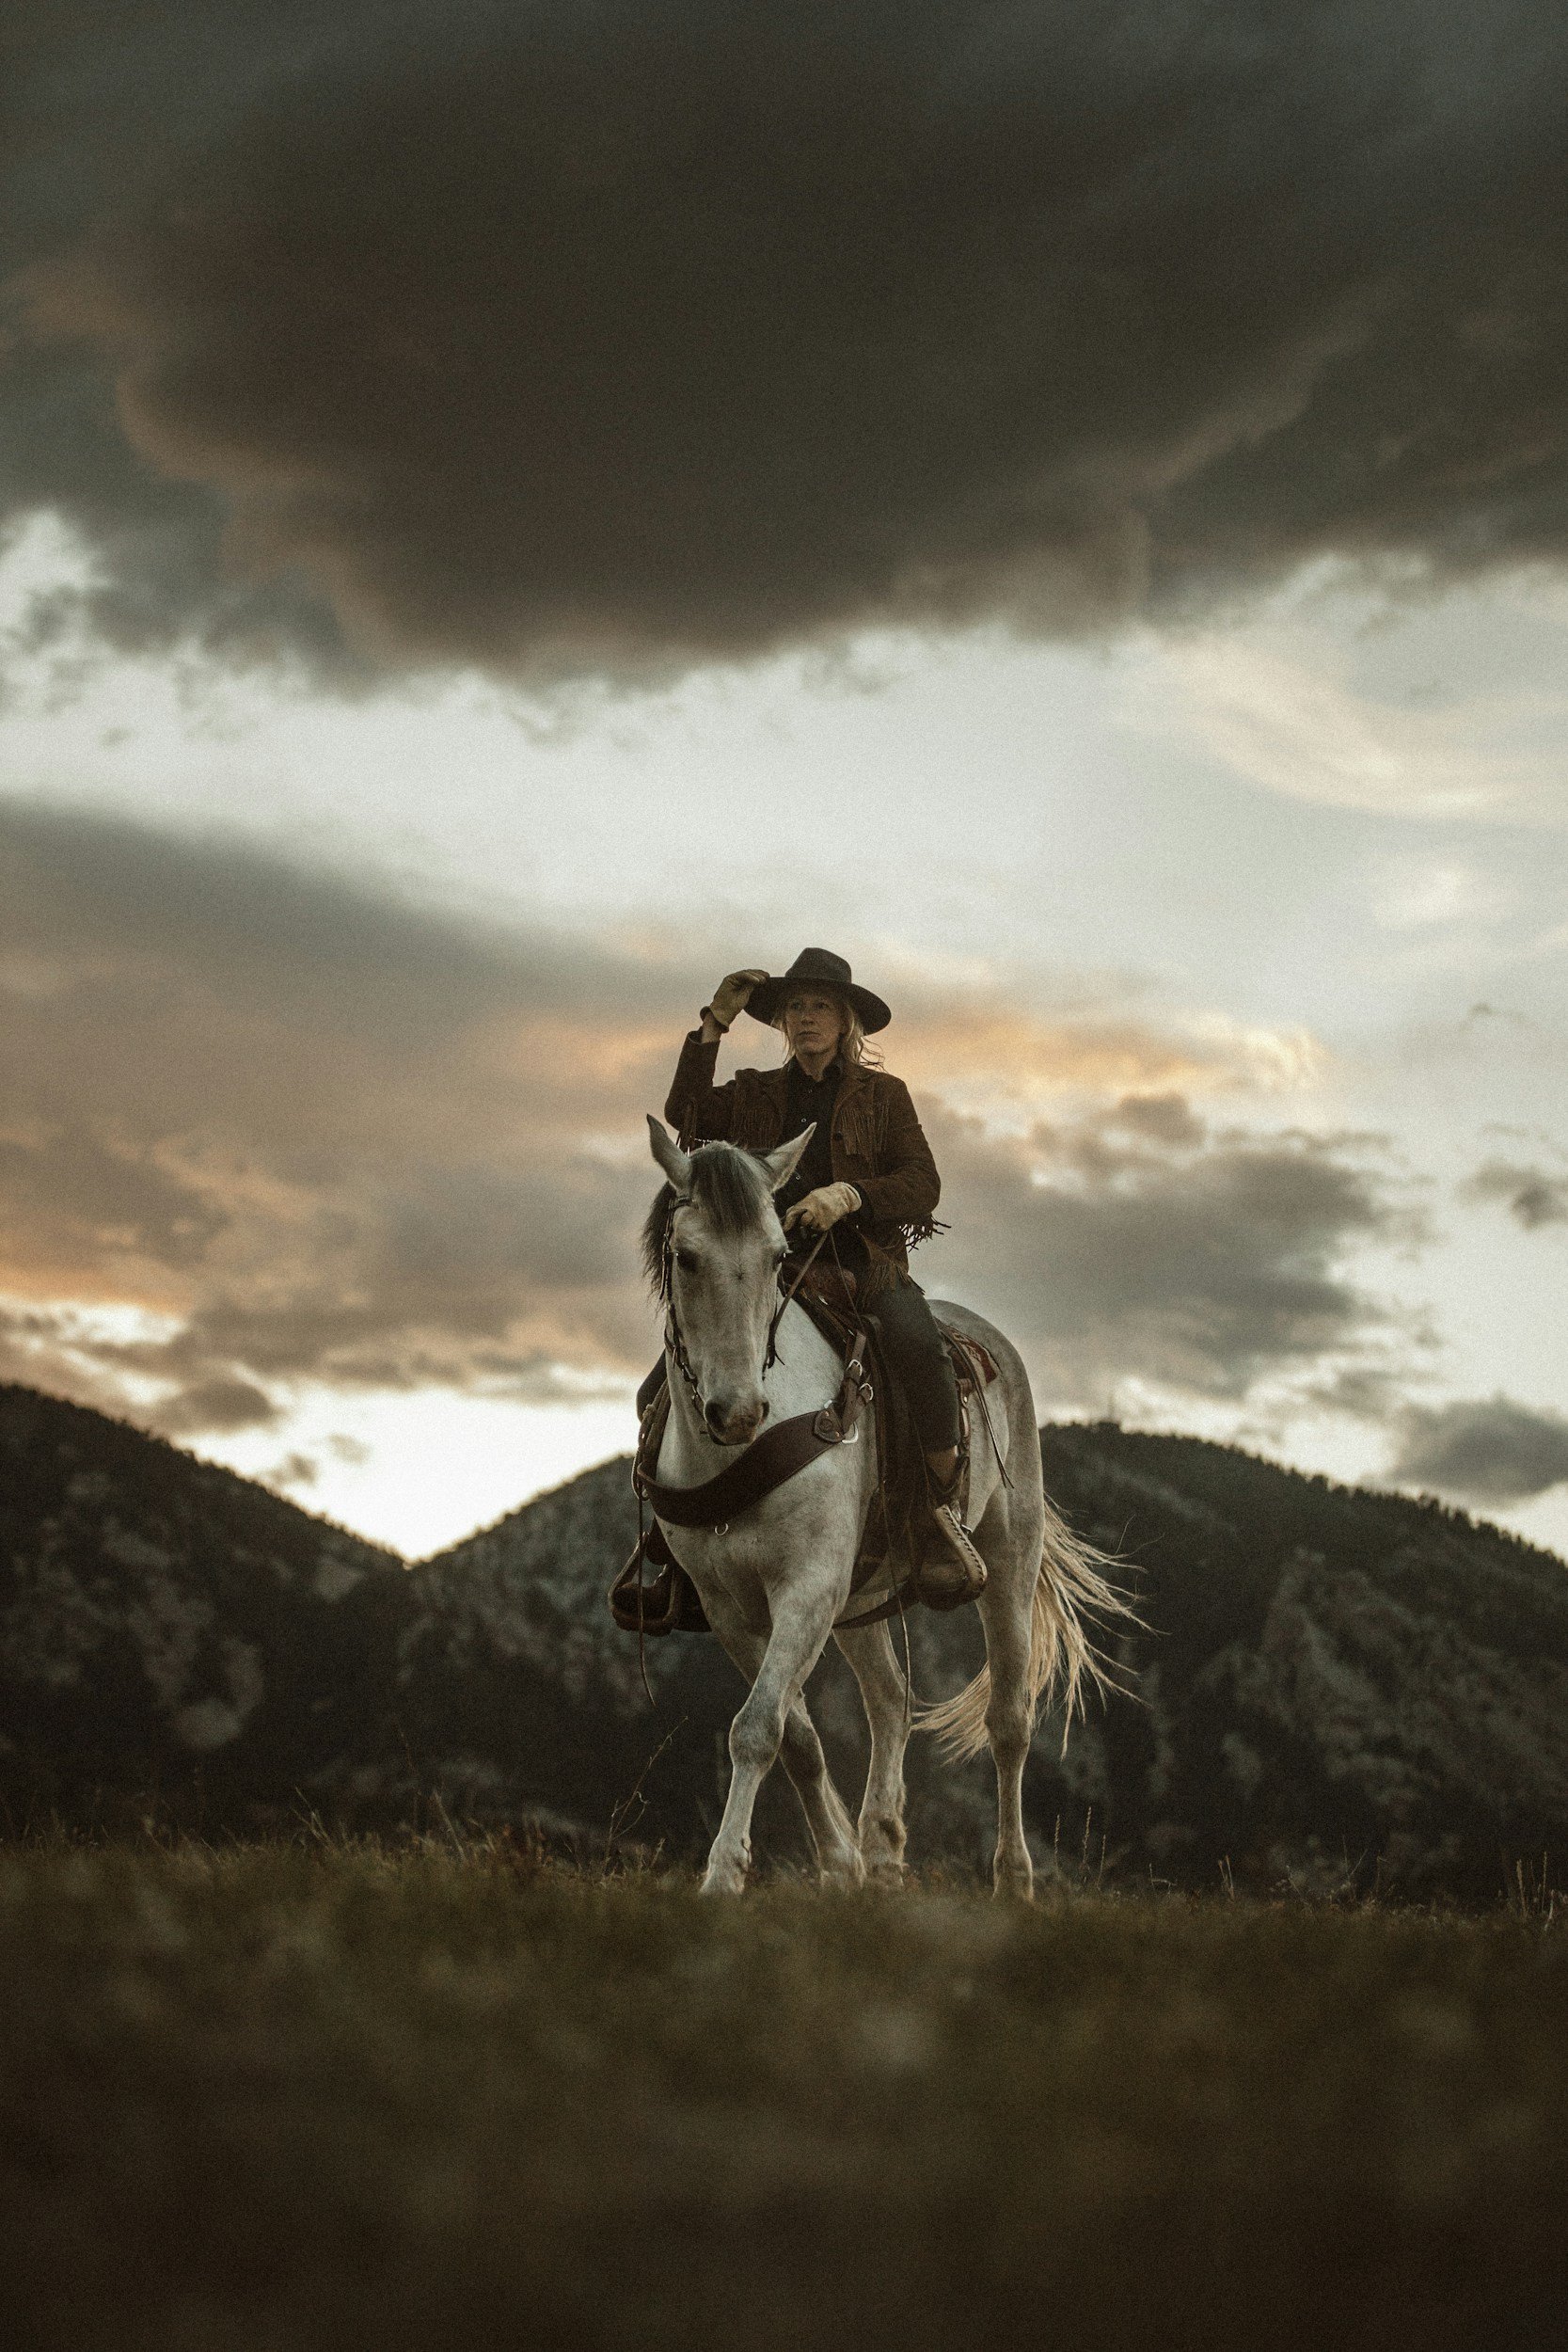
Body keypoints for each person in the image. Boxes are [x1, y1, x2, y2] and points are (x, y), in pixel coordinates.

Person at [619, 947, 981, 1628]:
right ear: (780, 1023)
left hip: (862, 1266)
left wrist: (849, 1194)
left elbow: (921, 1184)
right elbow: (686, 1116)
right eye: (793, 1008)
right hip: (771, 1268)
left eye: (818, 1007)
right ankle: (674, 1546)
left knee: (917, 1349)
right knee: (655, 1390)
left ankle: (938, 1516)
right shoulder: (754, 1091)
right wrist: (713, 1025)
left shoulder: (884, 1096)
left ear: (847, 1023)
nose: (805, 1018)